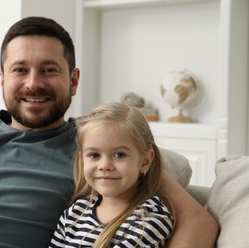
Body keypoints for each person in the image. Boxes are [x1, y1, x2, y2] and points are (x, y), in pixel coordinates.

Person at [0, 16, 218, 248]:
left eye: (48, 70)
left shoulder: (96, 147)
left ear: (73, 80)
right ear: (2, 78)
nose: (33, 83)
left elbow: (196, 223)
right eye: (20, 70)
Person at [50, 102, 174, 247]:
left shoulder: (151, 219)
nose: (104, 166)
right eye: (94, 155)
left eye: (119, 154)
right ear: (82, 159)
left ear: (145, 161)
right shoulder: (75, 213)